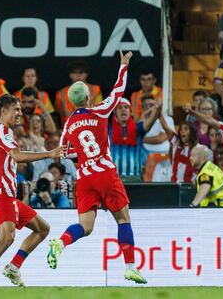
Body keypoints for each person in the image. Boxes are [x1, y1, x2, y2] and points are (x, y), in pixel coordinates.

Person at [47, 51, 147, 284]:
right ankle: (130, 267)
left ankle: (60, 242)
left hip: (84, 177)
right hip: (104, 172)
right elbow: (119, 91)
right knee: (123, 219)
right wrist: (123, 65)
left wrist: (81, 153)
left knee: (85, 226)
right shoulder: (99, 110)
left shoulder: (69, 123)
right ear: (89, 97)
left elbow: (64, 152)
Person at [0, 94, 62, 289]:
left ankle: (13, 267)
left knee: (42, 229)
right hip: (1, 193)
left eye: (20, 109)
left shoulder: (0, 134)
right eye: (16, 110)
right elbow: (17, 156)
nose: (20, 113)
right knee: (6, 238)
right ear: (3, 111)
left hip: (7, 194)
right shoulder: (2, 131)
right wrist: (49, 153)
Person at [55, 60, 103, 126]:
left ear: (86, 74)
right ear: (70, 75)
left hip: (91, 128)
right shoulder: (61, 94)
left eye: (81, 72)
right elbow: (56, 115)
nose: (78, 76)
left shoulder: (95, 90)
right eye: (75, 73)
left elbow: (100, 111)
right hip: (69, 130)